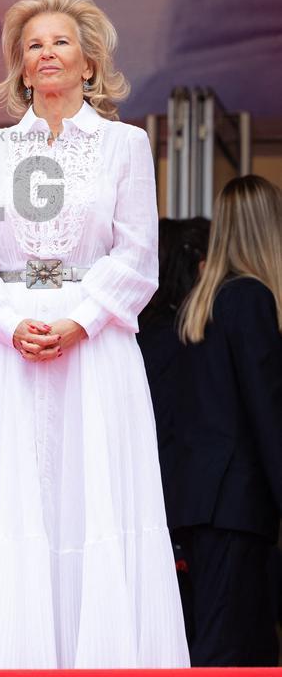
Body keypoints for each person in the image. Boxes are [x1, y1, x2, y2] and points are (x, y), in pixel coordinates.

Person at [0, 0, 189, 668]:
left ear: (89, 63)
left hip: (94, 349)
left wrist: (79, 320)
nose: (46, 54)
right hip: (5, 350)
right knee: (11, 502)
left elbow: (137, 256)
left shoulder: (125, 146)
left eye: (60, 42)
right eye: (33, 45)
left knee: (91, 497)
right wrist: (14, 326)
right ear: (19, 65)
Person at [171, 175, 282, 666]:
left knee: (220, 646)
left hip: (203, 507)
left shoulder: (202, 303)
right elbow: (268, 411)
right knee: (235, 652)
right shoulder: (252, 298)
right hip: (238, 508)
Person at [137, 217, 210, 517]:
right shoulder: (188, 340)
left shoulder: (137, 333)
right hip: (174, 501)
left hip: (142, 491)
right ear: (200, 269)